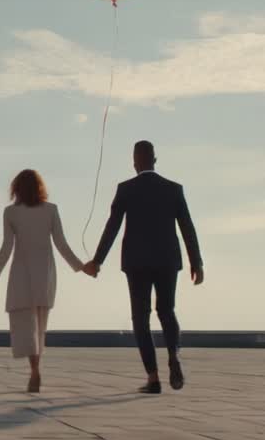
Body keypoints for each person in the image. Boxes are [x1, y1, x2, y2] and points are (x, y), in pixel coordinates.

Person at [85, 140, 204, 395]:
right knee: (167, 310)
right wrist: (197, 262)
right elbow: (187, 228)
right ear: (155, 160)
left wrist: (97, 261)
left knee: (141, 318)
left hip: (136, 262)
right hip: (167, 260)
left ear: (135, 162)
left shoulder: (126, 190)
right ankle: (174, 354)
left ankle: (153, 379)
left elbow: (112, 227)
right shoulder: (173, 189)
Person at [0, 169, 84, 393]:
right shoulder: (51, 210)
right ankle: (37, 368)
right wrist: (81, 267)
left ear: (16, 188)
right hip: (44, 272)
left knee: (27, 327)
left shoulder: (10, 213)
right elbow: (61, 243)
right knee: (40, 325)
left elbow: (6, 248)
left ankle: (34, 369)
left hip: (21, 272)